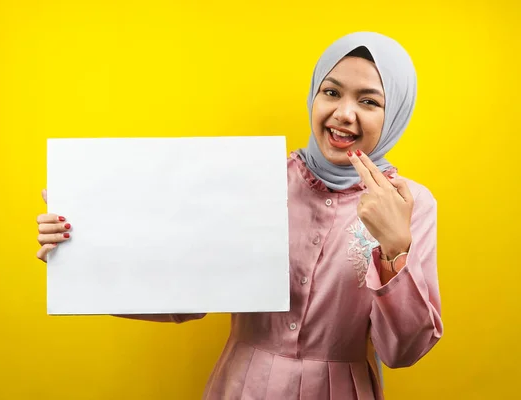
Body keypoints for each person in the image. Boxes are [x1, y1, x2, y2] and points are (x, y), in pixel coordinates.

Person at [35, 31, 443, 399]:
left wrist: (395, 245)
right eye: (331, 92)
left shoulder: (410, 203)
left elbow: (402, 351)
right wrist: (80, 246)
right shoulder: (260, 178)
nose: (343, 113)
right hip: (243, 386)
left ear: (396, 114)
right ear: (313, 97)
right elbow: (185, 293)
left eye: (369, 101)